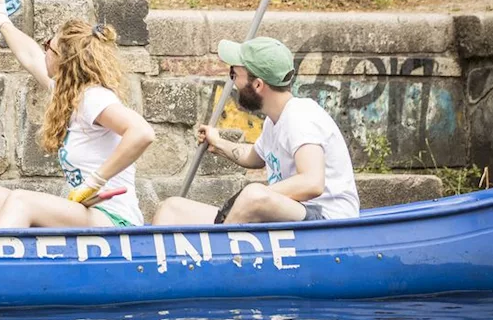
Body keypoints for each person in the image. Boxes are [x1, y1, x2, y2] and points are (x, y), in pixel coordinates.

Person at [0, 0, 156, 229]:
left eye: (50, 47)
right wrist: (0, 19)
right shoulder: (66, 92)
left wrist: (95, 182)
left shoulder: (93, 98)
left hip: (115, 219)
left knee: (22, 201)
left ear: (65, 61)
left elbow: (142, 133)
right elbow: (30, 56)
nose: (45, 50)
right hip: (86, 214)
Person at [151, 36, 360, 225]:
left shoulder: (300, 116)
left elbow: (312, 182)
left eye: (235, 74)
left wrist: (251, 198)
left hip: (326, 221)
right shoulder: (274, 120)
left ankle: (220, 258)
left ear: (258, 84)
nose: (232, 82)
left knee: (253, 195)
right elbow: (254, 157)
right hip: (287, 216)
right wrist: (218, 143)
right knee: (171, 209)